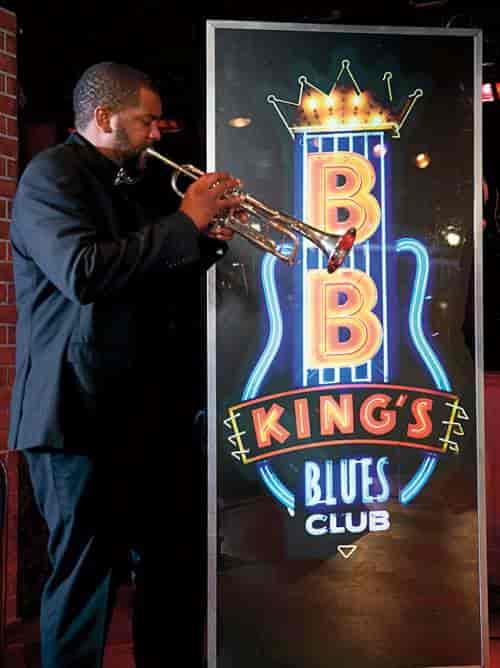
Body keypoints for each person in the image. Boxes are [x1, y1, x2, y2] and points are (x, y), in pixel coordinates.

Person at [8, 61, 242, 668]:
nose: (157, 134)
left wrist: (207, 241)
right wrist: (184, 222)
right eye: (146, 121)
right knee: (85, 578)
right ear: (104, 116)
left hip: (144, 413)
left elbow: (147, 277)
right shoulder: (50, 177)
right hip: (75, 416)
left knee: (171, 568)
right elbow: (84, 273)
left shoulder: (133, 183)